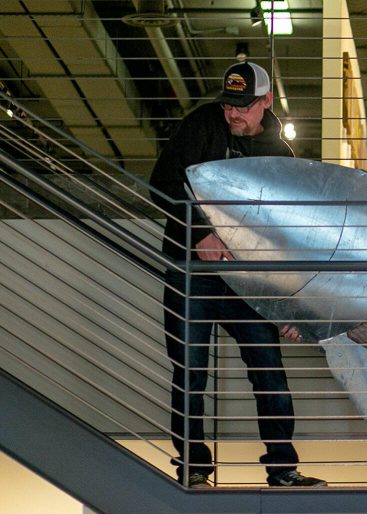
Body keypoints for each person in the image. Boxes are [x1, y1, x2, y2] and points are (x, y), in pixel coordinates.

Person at [150, 61, 325, 488]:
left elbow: (285, 234)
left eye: (244, 106)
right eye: (229, 104)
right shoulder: (201, 125)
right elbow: (162, 183)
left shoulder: (278, 153)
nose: (233, 114)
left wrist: (287, 303)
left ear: (266, 101)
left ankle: (282, 468)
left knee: (268, 369)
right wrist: (200, 236)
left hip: (248, 281)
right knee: (190, 371)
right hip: (193, 271)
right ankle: (194, 468)